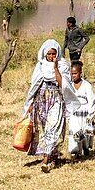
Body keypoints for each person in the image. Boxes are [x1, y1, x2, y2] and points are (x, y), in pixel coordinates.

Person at [23, 39, 70, 173]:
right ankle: (53, 156)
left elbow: (63, 84)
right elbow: (34, 86)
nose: (51, 57)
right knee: (45, 129)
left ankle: (45, 158)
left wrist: (55, 68)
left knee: (53, 128)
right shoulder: (40, 66)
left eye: (53, 54)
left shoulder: (63, 65)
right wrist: (31, 103)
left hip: (56, 99)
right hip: (42, 101)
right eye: (48, 54)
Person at [65, 60, 95, 160]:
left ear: (80, 73)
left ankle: (85, 148)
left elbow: (92, 100)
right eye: (72, 74)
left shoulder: (87, 85)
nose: (73, 76)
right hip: (74, 112)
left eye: (75, 73)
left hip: (85, 112)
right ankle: (76, 151)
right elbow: (68, 100)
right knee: (75, 132)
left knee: (84, 133)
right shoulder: (70, 86)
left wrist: (91, 114)